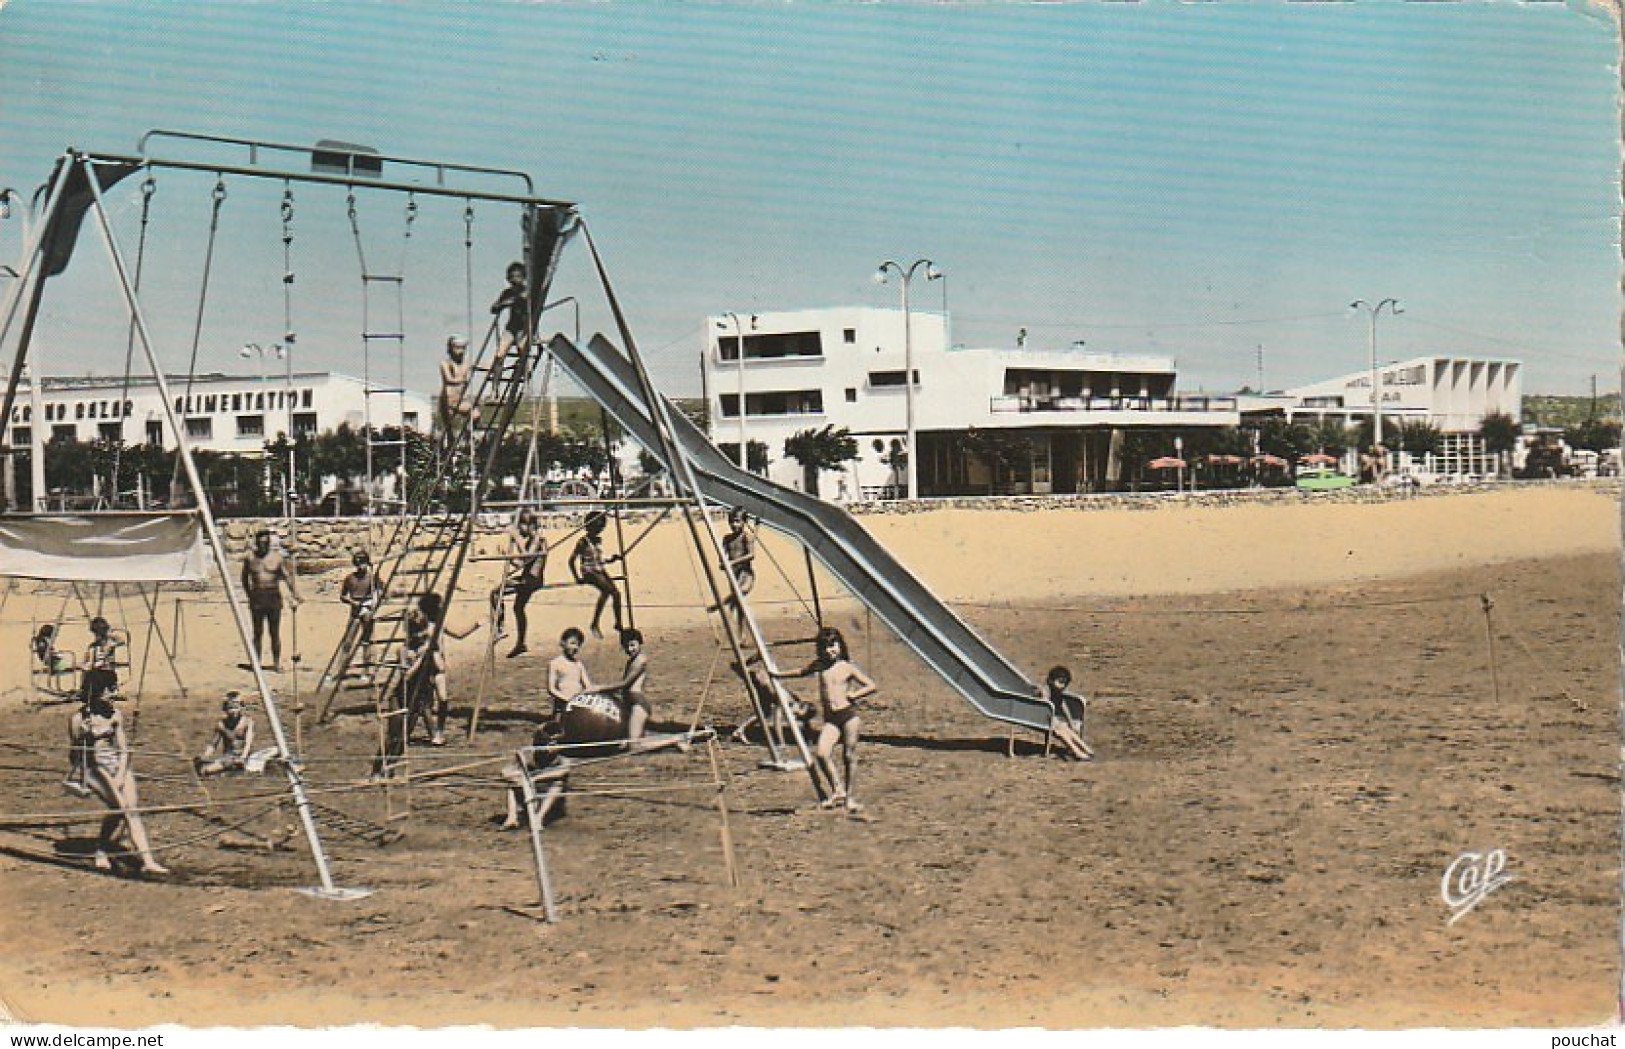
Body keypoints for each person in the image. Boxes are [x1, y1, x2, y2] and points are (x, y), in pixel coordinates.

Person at [769, 627, 876, 813]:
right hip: (831, 719)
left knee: (848, 756)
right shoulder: (820, 665)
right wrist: (778, 675)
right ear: (821, 649)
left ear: (840, 645)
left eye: (833, 646)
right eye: (826, 647)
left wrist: (854, 695)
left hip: (849, 716)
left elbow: (871, 685)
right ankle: (837, 789)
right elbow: (800, 672)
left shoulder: (847, 666)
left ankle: (850, 798)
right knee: (822, 753)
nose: (830, 651)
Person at [68, 687, 167, 875]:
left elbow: (123, 750)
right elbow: (75, 758)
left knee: (131, 811)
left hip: (117, 766)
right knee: (122, 809)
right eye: (108, 690)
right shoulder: (78, 719)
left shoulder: (115, 715)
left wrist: (121, 773)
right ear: (95, 693)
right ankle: (102, 851)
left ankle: (146, 860)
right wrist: (82, 737)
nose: (113, 693)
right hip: (93, 769)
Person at [399, 591, 481, 748]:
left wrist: (476, 624)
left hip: (438, 668)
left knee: (443, 700)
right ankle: (426, 731)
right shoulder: (422, 626)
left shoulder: (440, 625)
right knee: (423, 704)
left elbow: (459, 634)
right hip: (424, 669)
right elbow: (411, 645)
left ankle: (439, 730)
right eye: (439, 606)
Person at [241, 530, 299, 672]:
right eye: (261, 543)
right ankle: (256, 662)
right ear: (256, 543)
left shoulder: (278, 558)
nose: (263, 546)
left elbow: (286, 577)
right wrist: (250, 594)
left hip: (273, 596)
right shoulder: (250, 558)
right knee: (257, 632)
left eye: (266, 543)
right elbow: (244, 578)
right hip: (257, 597)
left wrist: (295, 594)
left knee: (274, 632)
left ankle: (276, 663)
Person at [492, 508, 547, 658]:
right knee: (518, 608)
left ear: (529, 525)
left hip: (531, 580)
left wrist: (516, 538)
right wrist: (507, 556)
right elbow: (521, 563)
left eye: (519, 526)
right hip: (528, 578)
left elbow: (526, 558)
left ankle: (500, 629)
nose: (518, 530)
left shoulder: (538, 539)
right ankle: (520, 643)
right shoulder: (532, 540)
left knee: (496, 593)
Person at [569, 513, 623, 640]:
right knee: (607, 591)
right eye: (597, 529)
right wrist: (577, 578)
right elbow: (571, 561)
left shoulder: (598, 540)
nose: (599, 532)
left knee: (616, 594)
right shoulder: (582, 542)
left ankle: (618, 623)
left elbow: (600, 559)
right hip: (589, 571)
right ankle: (594, 623)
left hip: (599, 569)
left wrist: (612, 559)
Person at [339, 550, 382, 671]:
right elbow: (342, 596)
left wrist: (374, 603)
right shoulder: (350, 578)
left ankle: (366, 671)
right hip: (355, 611)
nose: (361, 566)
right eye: (358, 564)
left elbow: (380, 592)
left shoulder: (372, 578)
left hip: (367, 609)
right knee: (347, 641)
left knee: (366, 641)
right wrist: (352, 602)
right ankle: (340, 670)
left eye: (363, 563)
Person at [1040, 665, 1093, 762]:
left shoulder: (1057, 693)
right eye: (1060, 682)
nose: (1062, 686)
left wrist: (1070, 722)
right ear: (1051, 680)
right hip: (1043, 718)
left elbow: (1064, 708)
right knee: (1062, 731)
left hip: (1052, 719)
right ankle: (1077, 751)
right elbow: (1044, 706)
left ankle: (1085, 748)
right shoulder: (1045, 691)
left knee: (1067, 729)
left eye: (1064, 683)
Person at [195, 691, 256, 776]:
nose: (233, 711)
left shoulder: (247, 722)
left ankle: (225, 770)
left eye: (236, 707)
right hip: (228, 757)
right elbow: (213, 744)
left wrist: (243, 757)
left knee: (208, 770)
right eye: (230, 707)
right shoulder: (221, 724)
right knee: (203, 766)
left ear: (241, 707)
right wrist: (205, 756)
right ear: (225, 709)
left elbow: (248, 743)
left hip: (243, 757)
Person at [490, 261, 530, 375]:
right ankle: (495, 386)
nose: (514, 280)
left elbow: (522, 299)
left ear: (523, 277)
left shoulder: (527, 291)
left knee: (523, 350)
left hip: (525, 328)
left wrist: (509, 302)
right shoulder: (507, 293)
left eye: (518, 276)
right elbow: (494, 308)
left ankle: (525, 375)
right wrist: (502, 304)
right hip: (511, 327)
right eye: (512, 277)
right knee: (499, 354)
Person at [547, 626, 593, 720]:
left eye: (578, 644)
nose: (575, 647)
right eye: (572, 643)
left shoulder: (579, 664)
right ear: (563, 643)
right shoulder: (555, 663)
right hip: (562, 704)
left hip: (577, 704)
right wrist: (567, 699)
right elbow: (551, 689)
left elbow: (588, 686)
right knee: (559, 728)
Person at [720, 508, 756, 629]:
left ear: (744, 522)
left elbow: (751, 555)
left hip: (746, 574)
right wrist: (723, 564)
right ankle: (742, 636)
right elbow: (723, 555)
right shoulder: (727, 539)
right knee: (739, 605)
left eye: (737, 521)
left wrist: (732, 562)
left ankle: (721, 603)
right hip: (734, 574)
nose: (733, 525)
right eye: (731, 521)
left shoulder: (747, 537)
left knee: (738, 596)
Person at [79, 616, 125, 705]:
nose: (97, 637)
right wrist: (86, 665)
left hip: (107, 672)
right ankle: (87, 693)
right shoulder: (93, 646)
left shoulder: (110, 644)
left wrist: (109, 634)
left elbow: (122, 640)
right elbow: (88, 661)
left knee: (94, 674)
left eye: (98, 634)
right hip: (95, 672)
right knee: (89, 673)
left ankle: (98, 693)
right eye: (96, 635)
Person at [438, 335, 474, 434]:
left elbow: (480, 365)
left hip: (461, 398)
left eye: (463, 348)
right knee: (449, 432)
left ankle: (466, 433)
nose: (461, 351)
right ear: (450, 349)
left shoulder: (466, 363)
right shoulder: (446, 363)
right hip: (448, 400)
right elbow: (449, 379)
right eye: (457, 347)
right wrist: (462, 380)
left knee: (475, 414)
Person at [32, 623, 76, 693]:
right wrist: (50, 651)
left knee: (64, 664)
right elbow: (42, 649)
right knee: (65, 666)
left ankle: (59, 686)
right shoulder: (41, 640)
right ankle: (55, 677)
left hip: (49, 657)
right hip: (47, 658)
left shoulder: (43, 640)